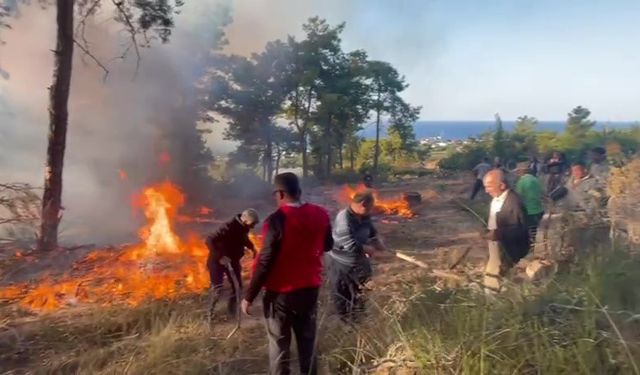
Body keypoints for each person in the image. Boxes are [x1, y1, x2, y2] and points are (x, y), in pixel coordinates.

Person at [242, 172, 333, 375]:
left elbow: (265, 261)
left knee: (279, 346)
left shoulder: (276, 220)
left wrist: (249, 296)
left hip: (280, 295)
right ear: (299, 191)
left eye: (276, 195)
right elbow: (328, 245)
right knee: (307, 342)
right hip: (310, 290)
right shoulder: (321, 214)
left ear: (281, 194)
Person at [326, 190, 388, 322]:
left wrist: (377, 241)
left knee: (361, 293)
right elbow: (350, 245)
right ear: (363, 204)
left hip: (359, 262)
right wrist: (371, 250)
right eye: (370, 207)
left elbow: (371, 231)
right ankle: (344, 324)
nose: (371, 210)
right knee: (343, 295)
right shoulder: (344, 218)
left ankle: (359, 320)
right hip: (341, 263)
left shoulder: (364, 215)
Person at [205, 209, 259, 320]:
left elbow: (244, 238)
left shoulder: (244, 227)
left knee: (237, 286)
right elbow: (209, 239)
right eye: (252, 224)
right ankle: (209, 314)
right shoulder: (228, 227)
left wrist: (252, 247)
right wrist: (221, 256)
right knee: (217, 288)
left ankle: (232, 312)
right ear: (244, 221)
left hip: (232, 261)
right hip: (217, 261)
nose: (253, 227)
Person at [482, 169, 530, 293]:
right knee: (493, 276)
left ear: (502, 185)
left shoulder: (514, 202)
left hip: (508, 249)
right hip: (496, 246)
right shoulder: (497, 198)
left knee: (502, 279)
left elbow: (521, 229)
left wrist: (498, 234)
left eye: (489, 187)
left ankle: (499, 302)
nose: (486, 191)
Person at [514, 162, 545, 249]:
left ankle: (532, 248)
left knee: (530, 232)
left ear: (521, 171)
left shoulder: (521, 181)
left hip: (528, 210)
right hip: (539, 209)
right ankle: (540, 247)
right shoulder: (535, 179)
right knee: (538, 230)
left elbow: (518, 196)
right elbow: (542, 193)